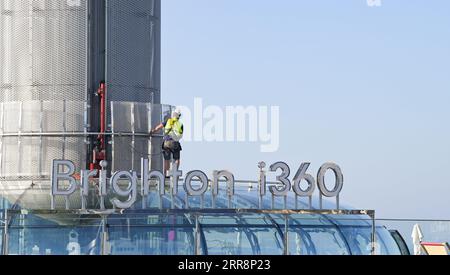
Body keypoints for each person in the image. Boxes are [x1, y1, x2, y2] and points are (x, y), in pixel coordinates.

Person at [151, 109, 184, 177]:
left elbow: (157, 128)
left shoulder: (167, 121)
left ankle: (166, 175)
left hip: (166, 143)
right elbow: (180, 134)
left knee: (167, 159)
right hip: (175, 143)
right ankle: (175, 173)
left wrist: (152, 132)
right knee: (177, 159)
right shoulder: (180, 124)